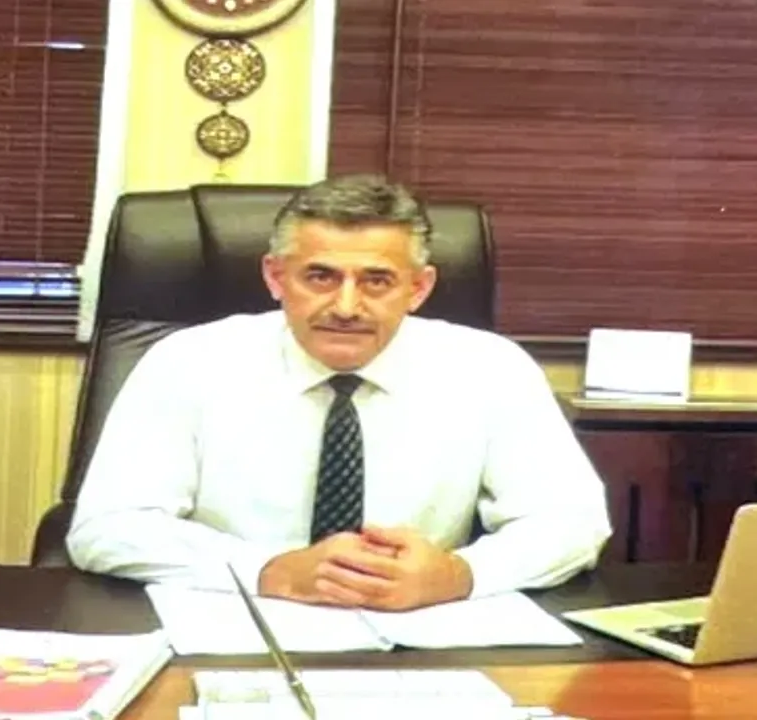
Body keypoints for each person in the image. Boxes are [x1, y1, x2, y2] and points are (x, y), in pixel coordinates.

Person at [66, 174, 612, 611]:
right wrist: (269, 571)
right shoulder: (188, 362)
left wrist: (459, 574)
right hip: (234, 622)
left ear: (418, 288)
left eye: (377, 281)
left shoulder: (491, 368)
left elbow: (572, 522)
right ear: (276, 277)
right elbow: (107, 527)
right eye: (320, 277)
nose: (347, 307)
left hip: (420, 637)